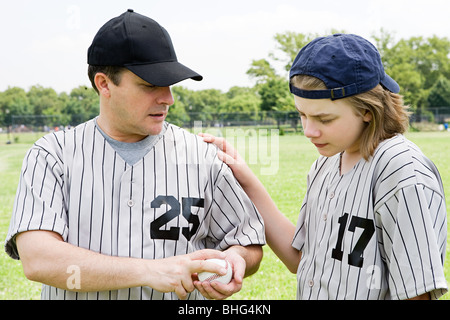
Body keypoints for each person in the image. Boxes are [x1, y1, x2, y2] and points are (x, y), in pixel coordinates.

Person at [4, 9, 265, 300]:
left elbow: (247, 241)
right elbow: (39, 259)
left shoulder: (202, 156)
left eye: (169, 84)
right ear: (104, 84)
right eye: (150, 85)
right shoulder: (52, 155)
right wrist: (151, 271)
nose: (168, 98)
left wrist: (237, 259)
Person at [201, 33, 448, 300]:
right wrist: (245, 177)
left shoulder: (400, 168)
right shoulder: (325, 164)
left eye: (324, 119)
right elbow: (301, 260)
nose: (309, 130)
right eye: (302, 115)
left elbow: (416, 294)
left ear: (368, 109)